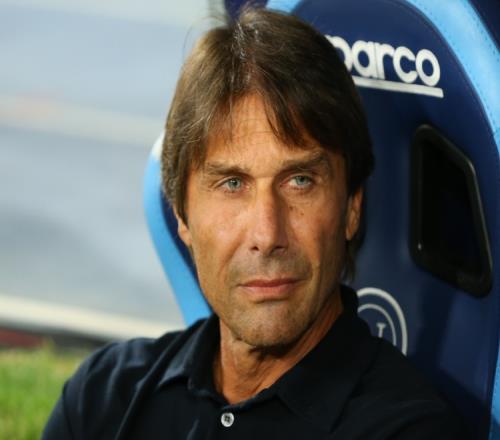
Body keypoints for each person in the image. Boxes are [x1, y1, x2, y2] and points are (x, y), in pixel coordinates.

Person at [43, 7, 465, 439]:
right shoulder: (99, 399)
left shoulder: (410, 431)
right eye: (232, 184)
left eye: (300, 181)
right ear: (182, 215)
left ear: (351, 208)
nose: (267, 235)